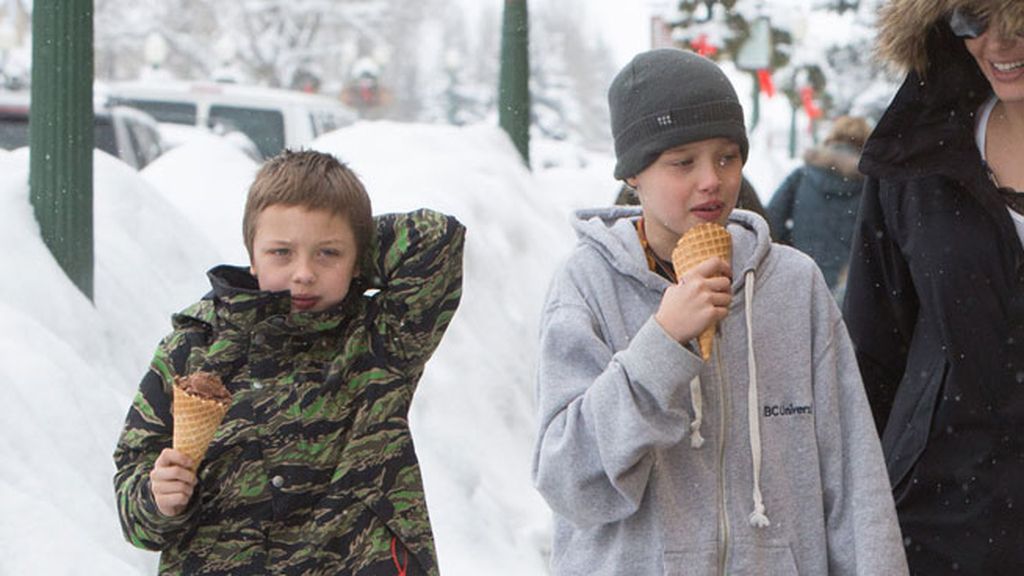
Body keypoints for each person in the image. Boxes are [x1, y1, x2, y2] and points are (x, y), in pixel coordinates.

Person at [532, 48, 907, 575]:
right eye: (683, 162)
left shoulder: (794, 285)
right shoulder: (586, 284)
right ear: (634, 173)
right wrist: (661, 344)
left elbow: (853, 481)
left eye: (727, 157)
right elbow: (569, 484)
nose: (712, 179)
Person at [113, 150, 465, 575]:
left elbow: (438, 242)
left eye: (327, 254)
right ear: (252, 255)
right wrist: (157, 500)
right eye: (281, 253)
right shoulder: (192, 349)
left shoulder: (380, 339)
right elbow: (136, 500)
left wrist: (351, 245)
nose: (303, 273)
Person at [843, 1, 1024, 573]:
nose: (997, 45)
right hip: (938, 524)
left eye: (1018, 22)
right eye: (973, 21)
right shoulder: (918, 155)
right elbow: (871, 352)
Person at [766, 115, 872, 299]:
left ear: (831, 138)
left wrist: (793, 246)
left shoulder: (802, 176)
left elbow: (770, 220)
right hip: (850, 289)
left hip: (801, 281)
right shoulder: (870, 187)